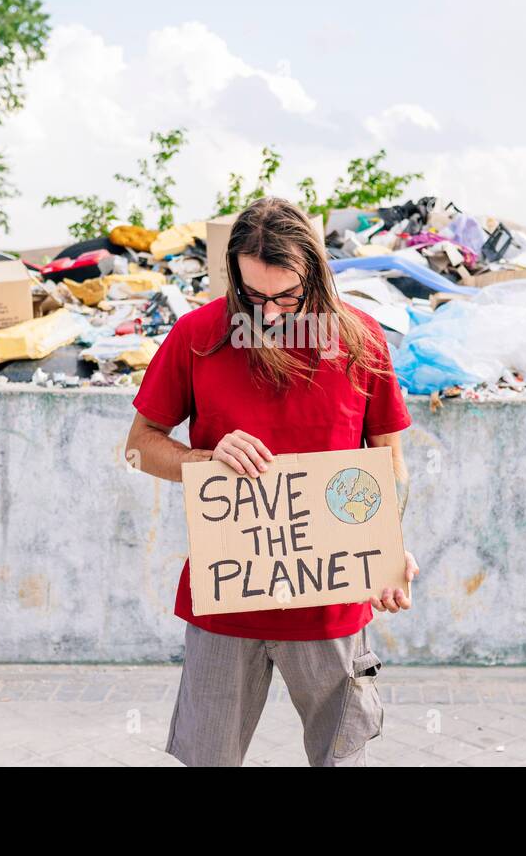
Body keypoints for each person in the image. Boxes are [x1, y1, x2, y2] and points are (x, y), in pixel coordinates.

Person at [125, 196, 416, 767]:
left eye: (288, 294)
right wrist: (203, 460)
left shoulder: (360, 340)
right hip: (226, 600)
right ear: (233, 275)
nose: (273, 311)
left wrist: (390, 550)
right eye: (254, 296)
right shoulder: (197, 336)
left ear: (316, 271)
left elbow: (389, 461)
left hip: (331, 602)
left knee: (342, 757)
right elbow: (138, 448)